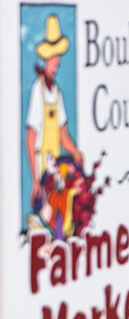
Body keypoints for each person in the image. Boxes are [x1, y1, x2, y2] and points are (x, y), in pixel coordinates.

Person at [26, 15, 83, 209]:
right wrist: (34, 180)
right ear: (48, 59)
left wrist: (75, 153)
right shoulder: (38, 90)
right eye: (55, 63)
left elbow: (63, 133)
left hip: (55, 165)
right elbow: (31, 136)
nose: (57, 67)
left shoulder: (56, 92)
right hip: (41, 163)